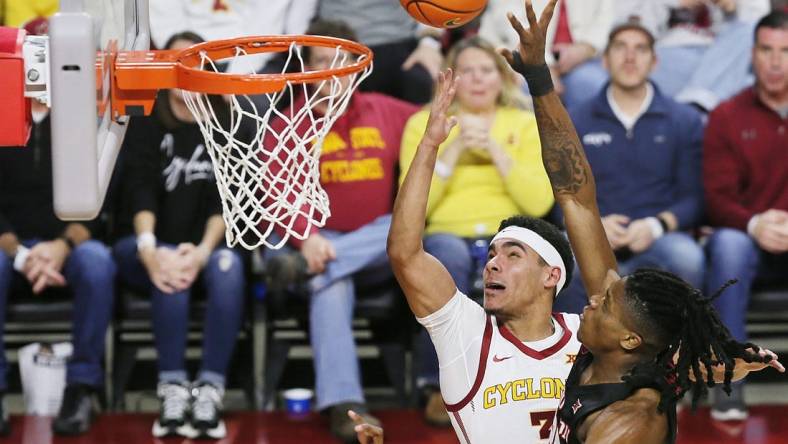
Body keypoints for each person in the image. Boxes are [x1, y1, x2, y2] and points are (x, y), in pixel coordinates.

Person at [495, 2, 783, 443]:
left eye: (606, 305)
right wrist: (539, 80)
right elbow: (574, 194)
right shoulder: (619, 342)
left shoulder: (627, 424)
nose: (594, 298)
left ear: (629, 341)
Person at [389, 65, 580, 444]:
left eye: (513, 255)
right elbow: (405, 254)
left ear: (551, 276)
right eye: (494, 254)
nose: (493, 263)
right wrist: (430, 146)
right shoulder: (465, 333)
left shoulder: (587, 335)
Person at [261, 20, 419, 443]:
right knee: (330, 283)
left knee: (401, 227)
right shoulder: (286, 127)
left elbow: (439, 121)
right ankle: (345, 406)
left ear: (356, 67)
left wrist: (436, 55)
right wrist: (306, 237)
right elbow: (275, 196)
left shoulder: (387, 110)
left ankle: (308, 265)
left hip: (378, 247)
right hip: (319, 244)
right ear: (306, 69)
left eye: (341, 61)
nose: (331, 71)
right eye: (320, 62)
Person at [112, 31, 246, 440]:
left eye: (197, 66)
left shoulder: (228, 123)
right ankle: (172, 386)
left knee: (228, 267)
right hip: (143, 244)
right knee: (168, 273)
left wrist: (203, 251)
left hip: (203, 249)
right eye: (179, 64)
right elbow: (140, 190)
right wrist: (151, 249)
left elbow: (226, 202)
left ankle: (209, 388)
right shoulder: (146, 121)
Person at [555, 21, 705, 314]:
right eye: (620, 48)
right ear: (605, 60)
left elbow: (694, 199)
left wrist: (655, 226)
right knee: (563, 254)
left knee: (688, 258)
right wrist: (592, 226)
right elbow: (562, 196)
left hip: (658, 235)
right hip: (594, 235)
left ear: (655, 61)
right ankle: (574, 355)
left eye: (640, 49)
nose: (630, 57)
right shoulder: (576, 119)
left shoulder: (683, 119)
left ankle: (681, 355)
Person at [0, 100, 116, 436]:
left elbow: (98, 203)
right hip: (9, 248)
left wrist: (61, 247)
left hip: (66, 248)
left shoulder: (82, 122)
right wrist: (20, 253)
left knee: (98, 262)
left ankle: (81, 388)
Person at [703, 9, 788, 421]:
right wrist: (754, 224)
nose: (775, 61)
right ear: (752, 54)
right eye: (767, 50)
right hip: (748, 237)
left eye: (785, 51)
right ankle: (729, 379)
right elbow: (716, 199)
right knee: (728, 244)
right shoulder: (726, 115)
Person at [619, 0, 771, 111]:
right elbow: (625, 22)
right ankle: (698, 108)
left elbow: (762, 25)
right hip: (671, 51)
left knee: (753, 32)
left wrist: (734, 8)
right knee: (744, 84)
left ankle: (690, 111)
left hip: (723, 54)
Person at [479, 0, 615, 108]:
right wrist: (543, 64)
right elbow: (511, 21)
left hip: (585, 58)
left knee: (592, 84)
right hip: (522, 55)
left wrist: (587, 47)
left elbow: (608, 14)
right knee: (528, 87)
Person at [317, 0, 444, 104]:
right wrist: (298, 47)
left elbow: (434, 4)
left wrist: (429, 43)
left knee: (420, 81)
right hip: (337, 45)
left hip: (400, 42)